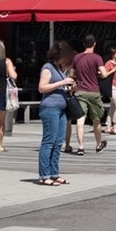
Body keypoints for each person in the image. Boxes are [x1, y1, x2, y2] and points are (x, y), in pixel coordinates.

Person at [38, 40, 76, 186]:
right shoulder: (47, 68)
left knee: (58, 142)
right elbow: (42, 88)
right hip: (50, 108)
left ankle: (54, 173)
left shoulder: (59, 69)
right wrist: (61, 83)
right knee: (48, 142)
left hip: (61, 109)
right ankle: (44, 175)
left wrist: (70, 86)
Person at [70, 34, 107, 155]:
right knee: (96, 119)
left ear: (83, 44)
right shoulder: (97, 58)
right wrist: (98, 74)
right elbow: (104, 74)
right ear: (94, 44)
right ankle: (98, 144)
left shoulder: (77, 58)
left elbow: (72, 74)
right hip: (94, 92)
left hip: (80, 91)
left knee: (80, 119)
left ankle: (80, 147)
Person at [102, 43, 116, 135]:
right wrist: (113, 70)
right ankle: (115, 126)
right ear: (112, 55)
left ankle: (108, 126)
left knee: (112, 107)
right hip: (112, 88)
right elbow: (103, 75)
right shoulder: (109, 63)